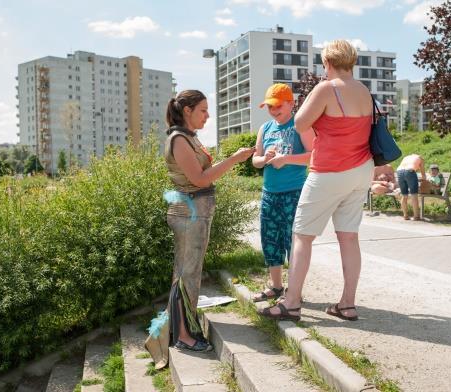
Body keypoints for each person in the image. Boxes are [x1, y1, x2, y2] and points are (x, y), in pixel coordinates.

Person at [259, 40, 374, 322]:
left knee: (302, 235)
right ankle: (347, 304)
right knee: (349, 237)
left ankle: (292, 303)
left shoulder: (327, 88)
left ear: (328, 63)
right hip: (361, 170)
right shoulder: (364, 91)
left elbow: (299, 123)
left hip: (331, 170)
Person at [151, 90, 254, 358]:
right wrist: (235, 159)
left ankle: (180, 329)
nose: (208, 116)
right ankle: (184, 336)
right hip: (189, 215)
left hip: (195, 214)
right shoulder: (179, 140)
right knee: (188, 276)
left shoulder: (188, 138)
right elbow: (199, 179)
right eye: (203, 110)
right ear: (187, 111)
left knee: (187, 274)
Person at [251, 83, 314, 303]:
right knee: (270, 239)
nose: (273, 110)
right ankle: (276, 286)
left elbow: (314, 155)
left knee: (292, 242)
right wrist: (266, 158)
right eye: (269, 106)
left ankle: (294, 292)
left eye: (277, 105)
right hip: (269, 193)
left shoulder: (301, 125)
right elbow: (255, 161)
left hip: (294, 192)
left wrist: (285, 159)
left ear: (291, 103)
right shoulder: (265, 128)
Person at [396, 154, 426, 220]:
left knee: (404, 195)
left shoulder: (406, 157)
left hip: (399, 172)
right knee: (414, 195)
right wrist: (424, 178)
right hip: (410, 171)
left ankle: (405, 215)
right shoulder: (420, 158)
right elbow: (423, 173)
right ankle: (416, 216)